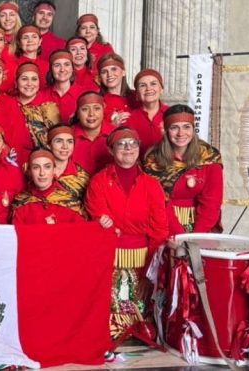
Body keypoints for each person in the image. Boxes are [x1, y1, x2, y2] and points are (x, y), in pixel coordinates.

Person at [85, 126, 169, 339]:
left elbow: (159, 231)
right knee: (109, 311)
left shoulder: (152, 185)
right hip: (108, 257)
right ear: (111, 150)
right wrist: (104, 224)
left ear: (139, 148)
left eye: (133, 143)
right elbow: (98, 217)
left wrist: (150, 274)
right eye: (121, 144)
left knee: (141, 310)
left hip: (142, 258)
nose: (127, 148)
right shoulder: (98, 182)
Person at [143, 105, 224, 234]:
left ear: (193, 129)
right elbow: (158, 201)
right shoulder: (153, 160)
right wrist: (177, 235)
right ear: (166, 130)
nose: (181, 133)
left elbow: (211, 203)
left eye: (186, 127)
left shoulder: (209, 156)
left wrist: (197, 237)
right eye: (174, 127)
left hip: (201, 227)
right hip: (163, 224)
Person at [9, 148, 86, 225]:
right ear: (29, 171)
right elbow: (16, 235)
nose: (42, 173)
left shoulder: (71, 203)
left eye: (47, 167)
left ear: (54, 170)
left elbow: (81, 233)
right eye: (36, 167)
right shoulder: (20, 204)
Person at [12, 62, 60, 157]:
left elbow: (55, 140)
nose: (29, 84)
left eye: (34, 79)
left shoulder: (48, 108)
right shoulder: (8, 103)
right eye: (24, 79)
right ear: (16, 83)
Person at [127, 69, 169, 155]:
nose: (148, 89)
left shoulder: (172, 115)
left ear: (161, 89)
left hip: (170, 166)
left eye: (153, 84)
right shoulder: (129, 119)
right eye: (143, 85)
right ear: (137, 94)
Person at [72, 92, 114, 175]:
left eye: (97, 108)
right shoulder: (68, 136)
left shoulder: (115, 134)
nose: (91, 114)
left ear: (103, 110)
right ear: (77, 113)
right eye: (85, 109)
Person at [47, 124, 90, 201]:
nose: (65, 146)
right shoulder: (38, 172)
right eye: (59, 141)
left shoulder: (82, 178)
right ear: (49, 145)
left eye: (69, 142)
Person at [43, 49, 84, 123]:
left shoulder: (83, 94)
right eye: (57, 65)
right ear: (51, 69)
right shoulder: (42, 95)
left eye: (67, 64)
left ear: (72, 68)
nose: (62, 69)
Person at [97, 53, 136, 123]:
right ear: (100, 77)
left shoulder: (137, 96)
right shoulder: (97, 102)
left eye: (114, 69)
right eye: (104, 72)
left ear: (123, 72)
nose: (110, 75)